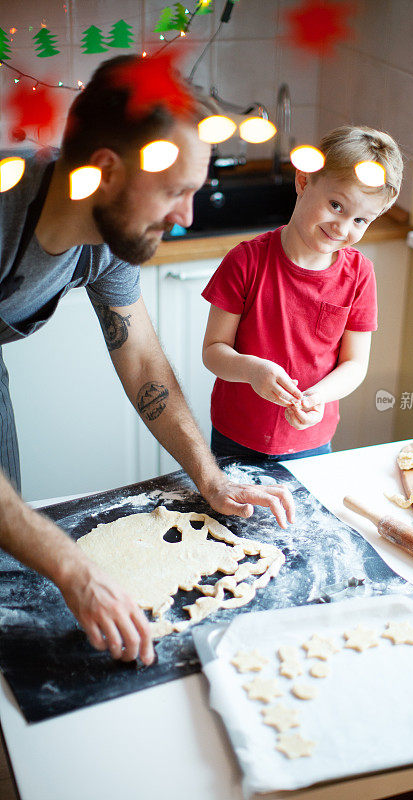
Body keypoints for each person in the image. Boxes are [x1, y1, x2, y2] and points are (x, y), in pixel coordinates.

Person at [0, 54, 294, 667]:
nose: (187, 216)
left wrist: (207, 475)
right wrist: (78, 573)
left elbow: (143, 364)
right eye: (174, 191)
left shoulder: (108, 243)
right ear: (105, 173)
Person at [202, 125, 403, 460]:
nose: (342, 227)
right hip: (235, 435)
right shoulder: (246, 261)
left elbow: (354, 364)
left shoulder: (360, 275)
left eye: (361, 221)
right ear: (304, 181)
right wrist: (253, 371)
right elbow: (213, 351)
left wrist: (317, 397)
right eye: (336, 205)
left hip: (310, 440)